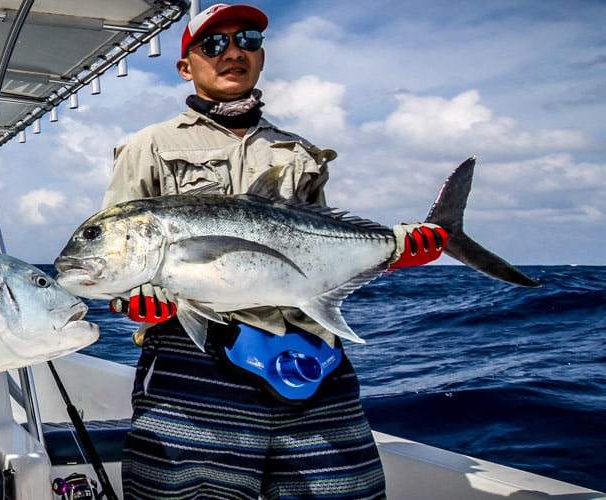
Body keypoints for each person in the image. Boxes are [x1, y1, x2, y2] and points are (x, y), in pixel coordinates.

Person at [101, 4, 445, 499]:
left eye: (247, 40)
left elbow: (321, 250)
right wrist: (131, 301)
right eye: (214, 45)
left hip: (310, 352)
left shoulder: (300, 150)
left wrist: (393, 250)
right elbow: (118, 249)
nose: (233, 52)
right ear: (185, 66)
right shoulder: (147, 146)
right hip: (195, 353)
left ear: (261, 58)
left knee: (342, 490)